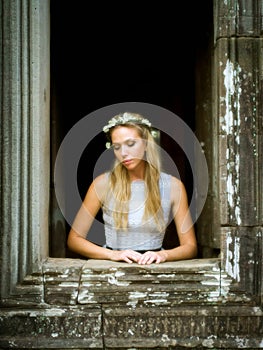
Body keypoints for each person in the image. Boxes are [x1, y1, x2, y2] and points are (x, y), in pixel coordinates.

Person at [67, 112, 197, 264]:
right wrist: (112, 254)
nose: (123, 153)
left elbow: (190, 246)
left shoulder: (173, 186)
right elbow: (74, 240)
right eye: (117, 147)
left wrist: (164, 255)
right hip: (112, 270)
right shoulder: (102, 184)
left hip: (155, 271)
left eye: (130, 144)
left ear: (147, 143)